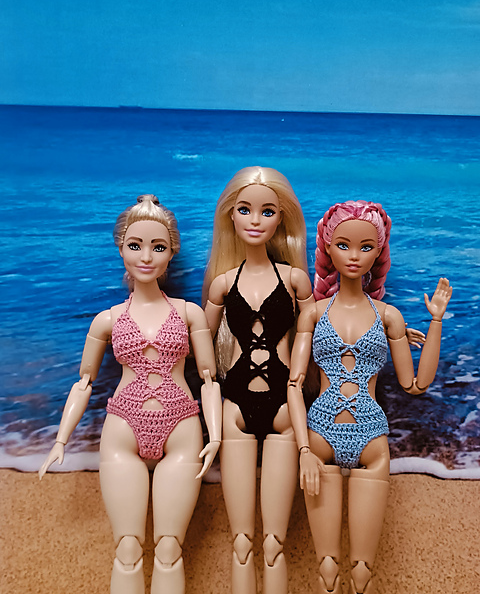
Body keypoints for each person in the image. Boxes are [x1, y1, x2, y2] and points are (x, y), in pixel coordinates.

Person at [39, 195, 222, 594]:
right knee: (126, 548)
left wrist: (217, 435)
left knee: (170, 549)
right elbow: (83, 383)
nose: (146, 257)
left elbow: (209, 379)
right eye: (135, 245)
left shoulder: (189, 313)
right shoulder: (107, 319)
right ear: (121, 248)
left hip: (181, 427)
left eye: (158, 247)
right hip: (123, 427)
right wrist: (60, 439)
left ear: (172, 252)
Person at [287, 200, 452, 594]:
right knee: (327, 568)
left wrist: (435, 321)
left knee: (363, 571)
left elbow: (416, 385)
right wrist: (303, 450)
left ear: (378, 251)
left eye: (366, 246)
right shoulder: (312, 314)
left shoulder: (389, 316)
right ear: (327, 248)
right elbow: (293, 385)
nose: (354, 255)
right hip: (319, 435)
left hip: (372, 440)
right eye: (343, 245)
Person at [203, 167, 314, 594]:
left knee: (273, 543)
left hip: (285, 409)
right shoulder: (221, 285)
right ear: (230, 215)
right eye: (245, 210)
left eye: (267, 211)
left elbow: (318, 331)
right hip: (234, 409)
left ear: (281, 218)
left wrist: (379, 324)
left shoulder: (294, 279)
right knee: (242, 543)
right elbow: (198, 344)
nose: (255, 220)